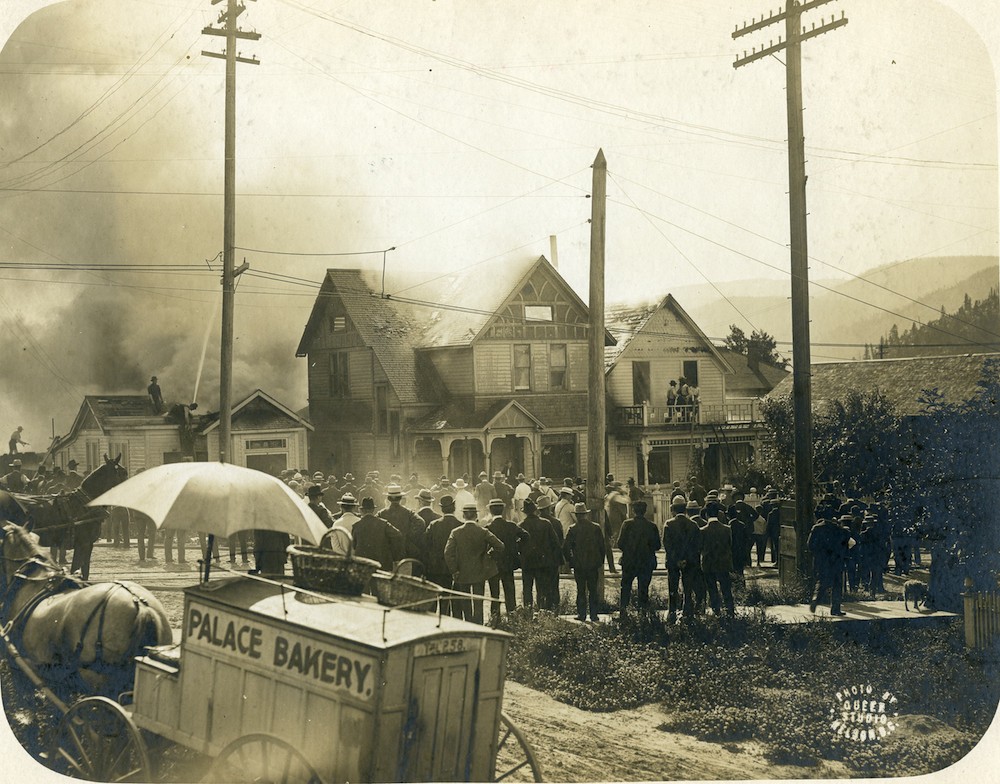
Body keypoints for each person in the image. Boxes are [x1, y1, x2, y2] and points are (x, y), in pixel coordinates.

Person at [444, 503, 505, 625]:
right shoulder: (483, 531)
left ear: (463, 515)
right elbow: (500, 546)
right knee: (479, 601)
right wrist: (488, 554)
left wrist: (454, 570)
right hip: (479, 571)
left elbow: (448, 552)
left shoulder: (456, 532)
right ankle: (478, 625)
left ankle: (468, 624)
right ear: (476, 515)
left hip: (461, 572)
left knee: (465, 601)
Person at [485, 498, 525, 625]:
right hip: (508, 563)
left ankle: (495, 619)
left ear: (490, 511)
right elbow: (526, 536)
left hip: (494, 564)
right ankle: (512, 616)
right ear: (502, 511)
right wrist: (515, 546)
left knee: (494, 593)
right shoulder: (511, 526)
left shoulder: (488, 528)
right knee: (510, 591)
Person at [662, 495, 702, 622]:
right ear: (685, 509)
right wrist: (686, 559)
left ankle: (672, 612)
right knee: (688, 588)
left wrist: (677, 559)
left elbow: (667, 545)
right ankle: (687, 612)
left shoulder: (669, 524)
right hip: (689, 562)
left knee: (672, 588)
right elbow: (696, 546)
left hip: (673, 562)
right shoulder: (693, 525)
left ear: (673, 509)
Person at [563, 503, 605, 622]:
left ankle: (581, 614)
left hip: (579, 564)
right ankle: (594, 615)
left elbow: (566, 548)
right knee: (593, 590)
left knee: (580, 590)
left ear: (576, 515)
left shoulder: (572, 529)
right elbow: (602, 547)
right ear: (586, 515)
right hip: (593, 564)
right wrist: (600, 561)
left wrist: (571, 561)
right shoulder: (595, 527)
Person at [517, 499, 561, 613]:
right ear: (536, 510)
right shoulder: (546, 523)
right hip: (543, 561)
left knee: (527, 588)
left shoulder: (521, 525)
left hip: (527, 562)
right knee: (541, 588)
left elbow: (517, 545)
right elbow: (555, 542)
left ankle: (528, 612)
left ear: (525, 512)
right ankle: (541, 610)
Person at [616, 500, 660, 611]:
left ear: (633, 510)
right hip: (646, 562)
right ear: (645, 511)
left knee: (625, 588)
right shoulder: (652, 526)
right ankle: (643, 614)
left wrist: (629, 550)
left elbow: (620, 544)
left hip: (629, 562)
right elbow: (657, 546)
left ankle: (623, 612)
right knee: (644, 589)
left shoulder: (627, 524)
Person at [423, 495, 464, 616]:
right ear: (454, 507)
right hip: (454, 569)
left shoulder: (433, 525)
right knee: (451, 601)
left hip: (434, 569)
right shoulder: (460, 525)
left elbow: (425, 546)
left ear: (441, 509)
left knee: (433, 602)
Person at [808, 513, 852, 616]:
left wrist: (819, 554)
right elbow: (845, 541)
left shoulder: (816, 528)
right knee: (837, 584)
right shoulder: (839, 529)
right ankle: (835, 609)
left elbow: (810, 545)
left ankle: (815, 599)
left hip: (821, 560)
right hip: (836, 560)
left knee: (822, 581)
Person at [700, 501, 736, 617]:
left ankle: (717, 612)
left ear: (706, 515)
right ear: (718, 514)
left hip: (708, 564)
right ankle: (730, 612)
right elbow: (730, 545)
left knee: (712, 590)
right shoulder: (727, 529)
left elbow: (700, 548)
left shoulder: (703, 531)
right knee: (726, 589)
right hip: (723, 563)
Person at [379, 483, 427, 569]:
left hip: (387, 553)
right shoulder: (408, 512)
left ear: (388, 498)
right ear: (400, 498)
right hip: (404, 553)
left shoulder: (382, 513)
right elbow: (421, 522)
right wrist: (409, 535)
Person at [352, 496, 402, 571]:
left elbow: (354, 546)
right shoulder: (383, 524)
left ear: (362, 510)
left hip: (363, 564)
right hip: (382, 563)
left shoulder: (356, 526)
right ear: (373, 510)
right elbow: (398, 534)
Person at [603, 481, 629, 574]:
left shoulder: (612, 495)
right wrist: (626, 493)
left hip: (613, 520)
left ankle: (612, 566)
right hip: (615, 521)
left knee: (609, 545)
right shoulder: (615, 495)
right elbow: (626, 501)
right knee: (612, 543)